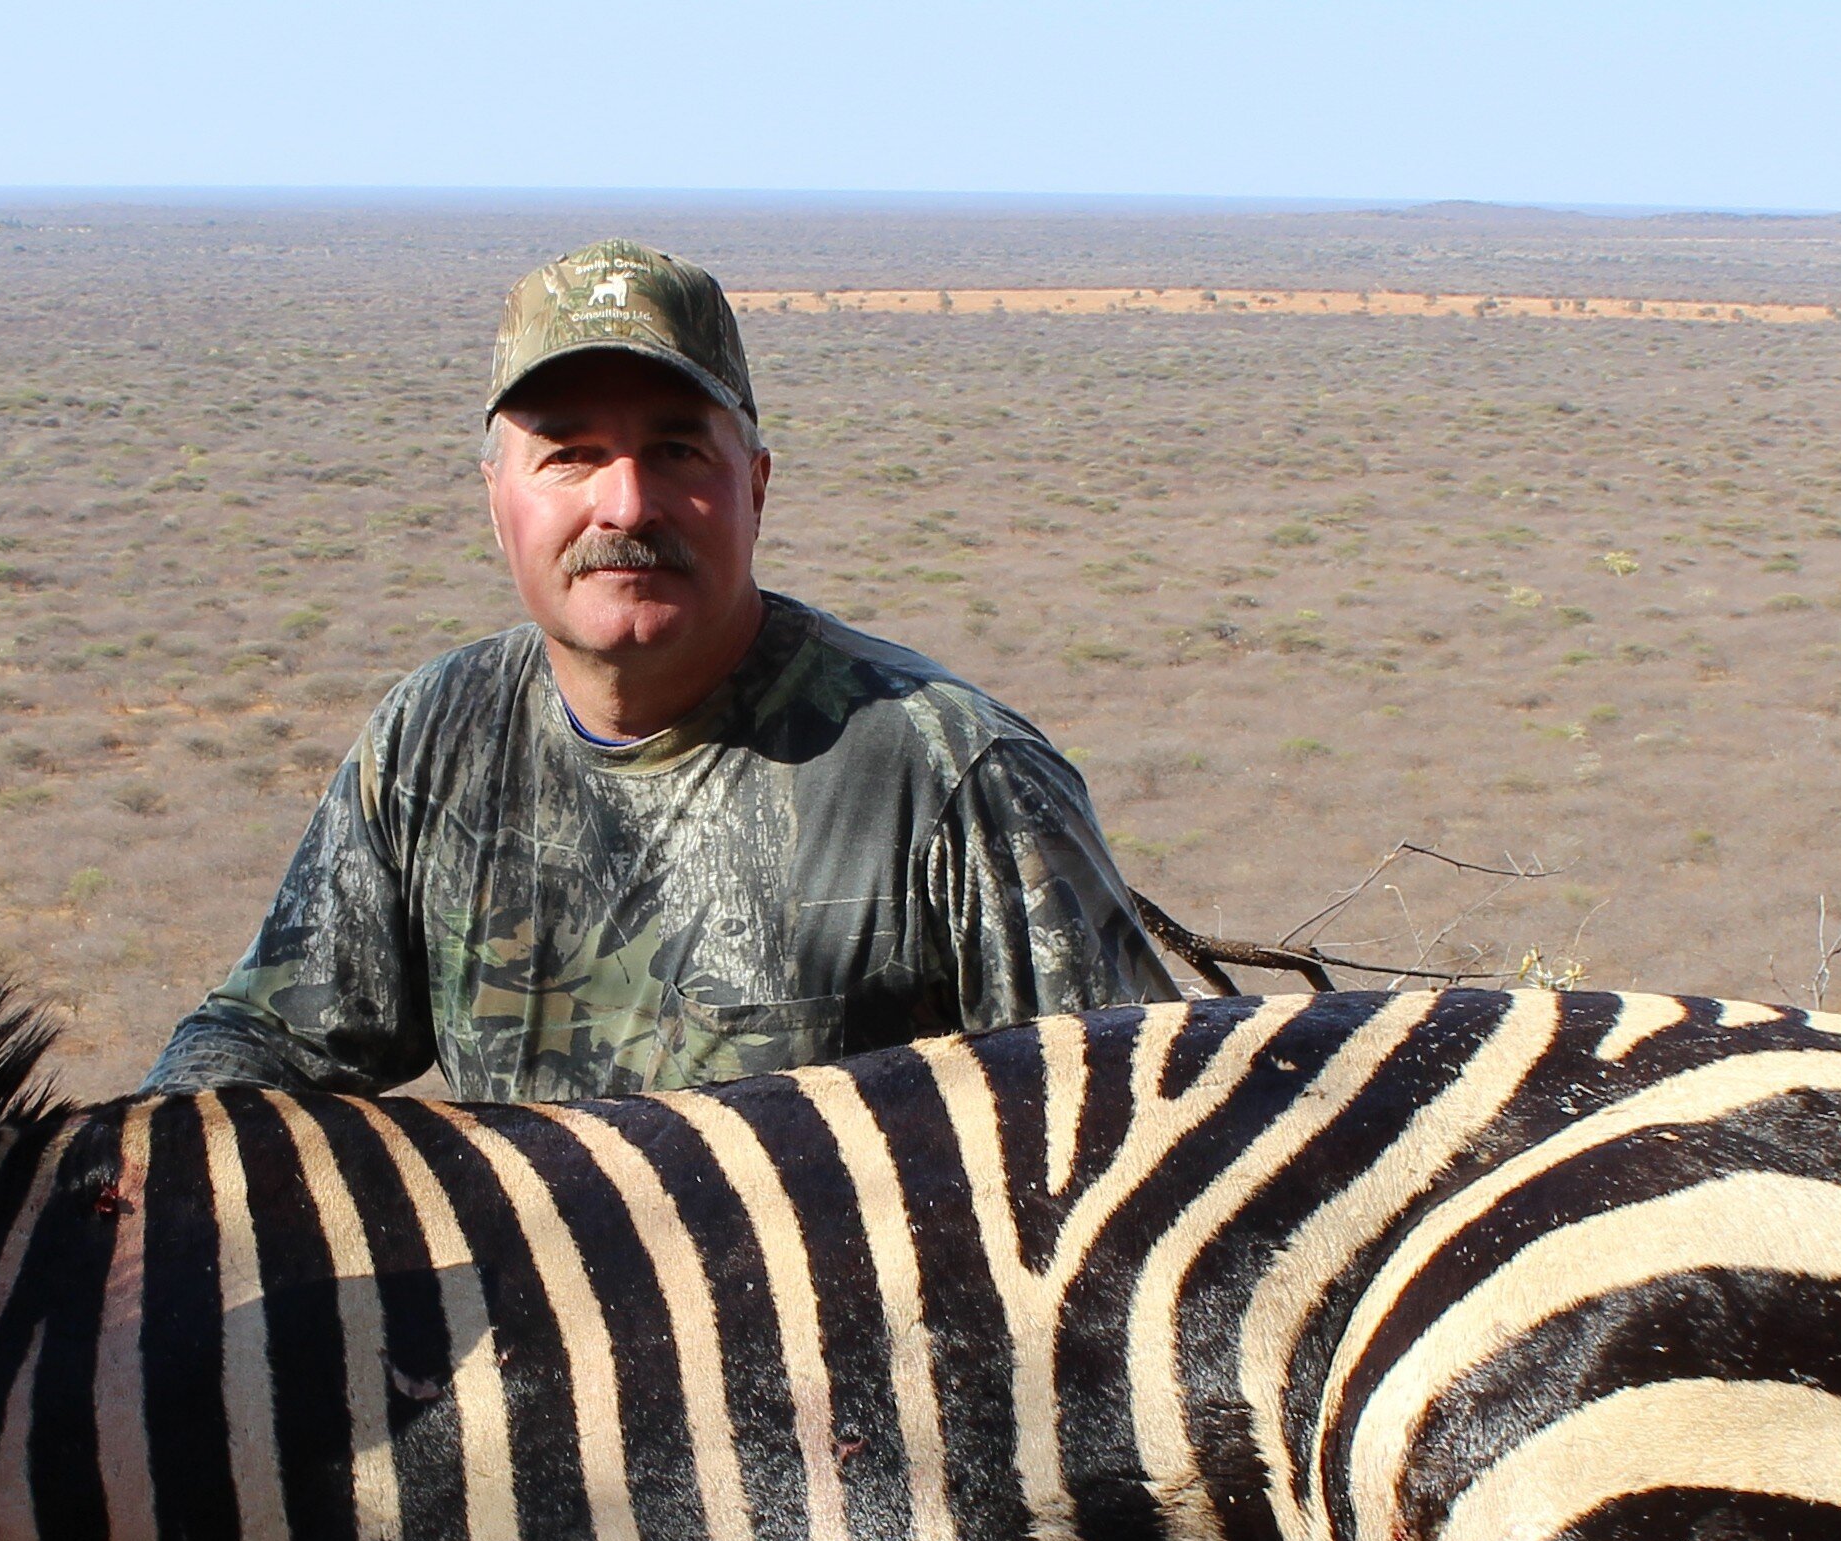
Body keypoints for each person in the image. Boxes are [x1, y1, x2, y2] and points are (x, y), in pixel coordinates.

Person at [148, 239, 1181, 1102]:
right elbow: (266, 1037)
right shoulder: (436, 734)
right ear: (496, 499)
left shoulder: (953, 775)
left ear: (756, 487)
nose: (628, 505)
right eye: (569, 453)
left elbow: (1145, 1129)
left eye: (680, 450)